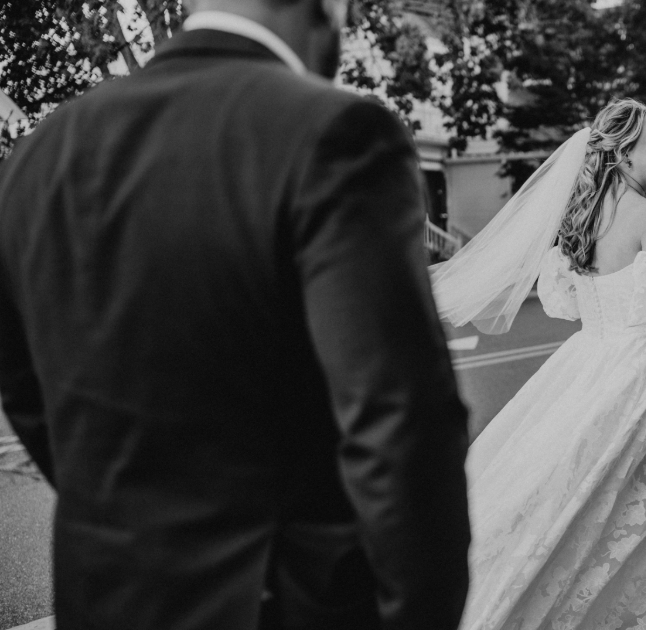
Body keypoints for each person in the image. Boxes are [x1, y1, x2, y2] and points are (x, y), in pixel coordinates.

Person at [0, 0, 472, 627]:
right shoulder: (335, 134)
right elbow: (400, 423)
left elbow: (23, 382)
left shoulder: (40, 154)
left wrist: (130, 516)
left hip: (104, 597)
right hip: (279, 605)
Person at [431, 98, 646, 630]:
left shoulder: (583, 222)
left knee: (584, 495)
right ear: (620, 155)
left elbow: (570, 304)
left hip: (589, 365)